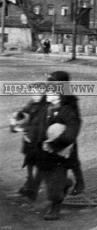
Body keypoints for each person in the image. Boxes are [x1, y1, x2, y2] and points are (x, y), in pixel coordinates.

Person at [34, 82, 81, 220]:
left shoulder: (68, 112)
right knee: (48, 178)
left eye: (50, 92)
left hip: (61, 153)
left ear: (59, 95)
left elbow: (71, 134)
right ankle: (65, 183)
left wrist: (53, 145)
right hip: (44, 152)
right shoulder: (46, 108)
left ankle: (55, 208)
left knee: (55, 183)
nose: (47, 94)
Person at [11, 83, 48, 200]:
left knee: (41, 165)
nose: (35, 96)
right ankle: (30, 183)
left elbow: (43, 125)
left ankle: (34, 189)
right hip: (30, 140)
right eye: (34, 93)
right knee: (29, 161)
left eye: (38, 94)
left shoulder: (47, 106)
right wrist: (17, 118)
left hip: (41, 140)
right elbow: (23, 114)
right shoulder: (31, 103)